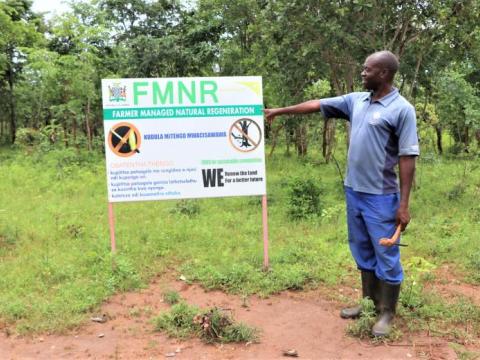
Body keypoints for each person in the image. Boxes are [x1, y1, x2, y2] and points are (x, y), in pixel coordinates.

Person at [264, 50, 419, 337]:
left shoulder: (401, 109)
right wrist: (279, 111)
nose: (362, 73)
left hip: (382, 196)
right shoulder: (355, 101)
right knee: (361, 248)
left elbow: (408, 157)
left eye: (367, 69)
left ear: (383, 73)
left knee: (386, 251)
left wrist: (404, 205)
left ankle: (387, 313)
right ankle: (368, 303)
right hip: (354, 191)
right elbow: (316, 104)